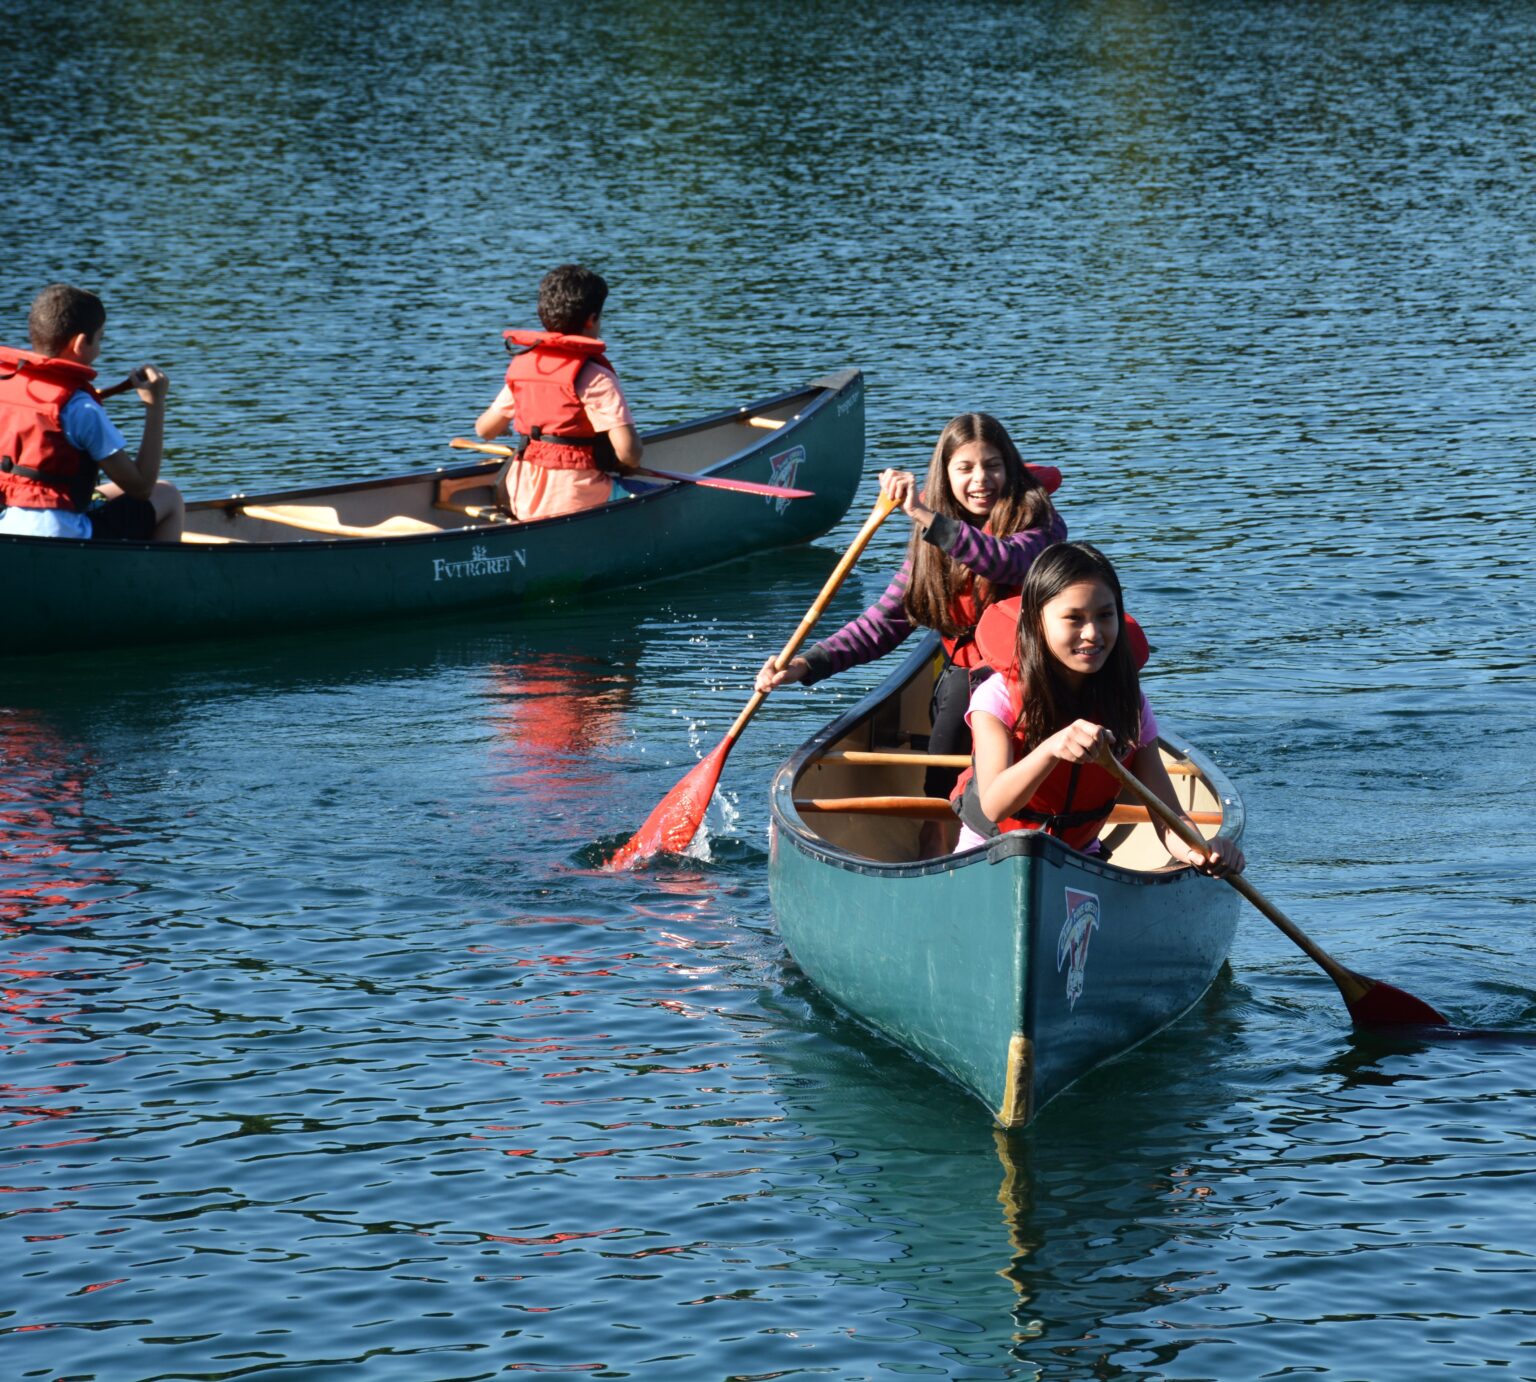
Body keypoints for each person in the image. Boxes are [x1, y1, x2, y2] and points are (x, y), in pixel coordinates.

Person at [757, 412, 1067, 842]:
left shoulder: (1040, 522)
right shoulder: (928, 551)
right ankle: (936, 858)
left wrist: (924, 515)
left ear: (1010, 467)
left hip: (1035, 680)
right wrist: (807, 666)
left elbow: (1004, 560)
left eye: (993, 465)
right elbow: (881, 625)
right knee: (940, 792)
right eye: (966, 468)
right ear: (946, 474)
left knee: (1040, 790)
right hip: (969, 678)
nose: (982, 479)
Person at [951, 540, 1245, 875]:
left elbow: (1168, 819)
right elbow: (994, 806)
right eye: (1073, 618)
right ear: (1036, 622)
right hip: (989, 853)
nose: (1092, 633)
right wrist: (1051, 748)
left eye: (1105, 616)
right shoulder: (997, 697)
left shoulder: (1128, 704)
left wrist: (1201, 851)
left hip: (1077, 856)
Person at [0, 284, 183, 542]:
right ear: (79, 344)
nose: (100, 346)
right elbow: (141, 487)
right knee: (167, 495)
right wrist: (155, 405)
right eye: (100, 338)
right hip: (65, 534)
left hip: (9, 527)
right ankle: (159, 580)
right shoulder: (81, 409)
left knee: (105, 493)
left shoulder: (7, 387)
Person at [474, 264, 643, 522]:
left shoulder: (527, 366)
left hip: (524, 498)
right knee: (655, 495)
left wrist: (508, 427)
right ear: (592, 319)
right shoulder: (595, 377)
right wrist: (625, 463)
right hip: (579, 498)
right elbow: (629, 453)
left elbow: (484, 430)